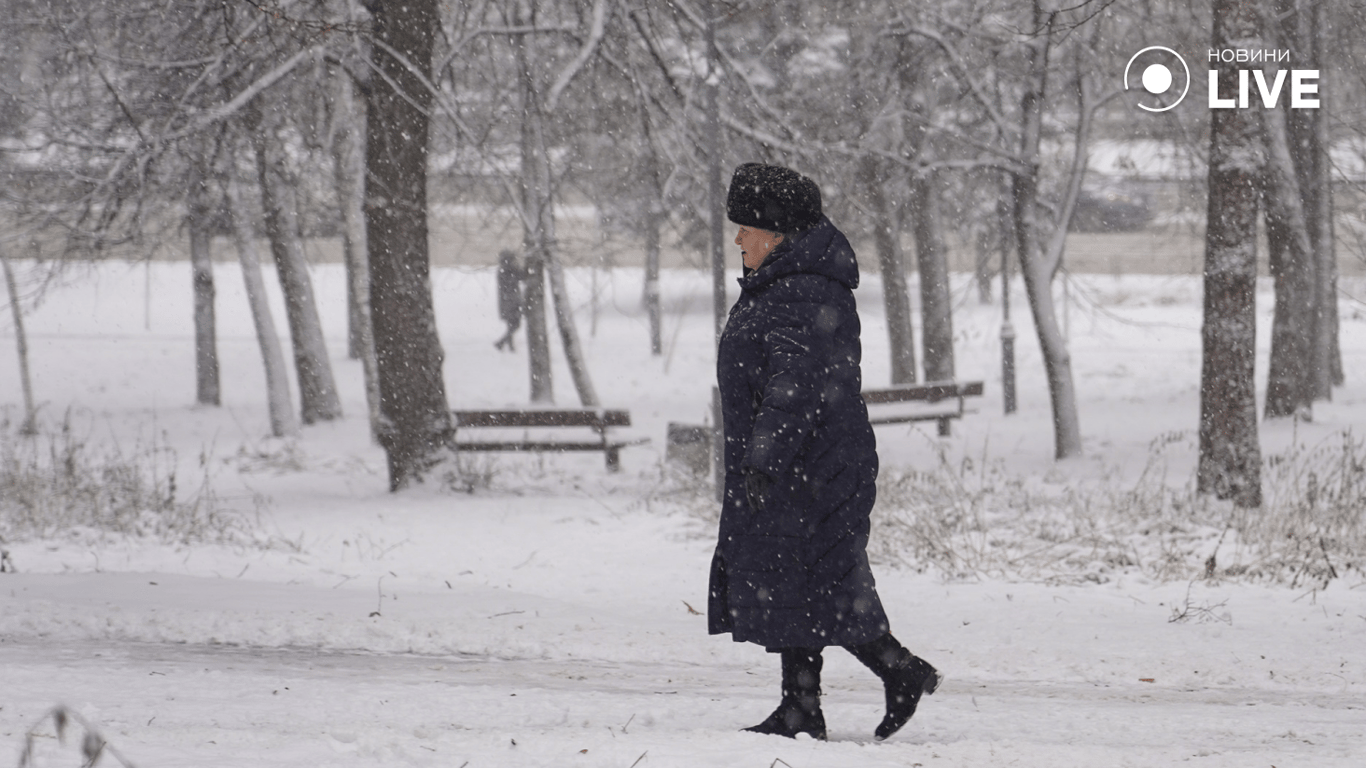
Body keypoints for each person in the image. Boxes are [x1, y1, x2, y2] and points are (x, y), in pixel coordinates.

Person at [709, 162, 940, 741]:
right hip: (804, 461)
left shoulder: (798, 291)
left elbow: (795, 385)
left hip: (810, 465)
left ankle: (898, 671)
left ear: (778, 233)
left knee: (819, 580)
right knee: (793, 580)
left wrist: (764, 456)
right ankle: (802, 705)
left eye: (747, 228)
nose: (738, 239)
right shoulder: (786, 284)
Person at [494, 250, 523, 352]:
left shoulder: (503, 270)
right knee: (515, 325)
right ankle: (501, 343)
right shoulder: (508, 270)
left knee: (511, 325)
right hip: (512, 301)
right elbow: (520, 277)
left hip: (506, 302)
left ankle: (508, 346)